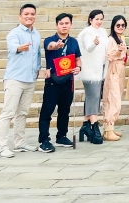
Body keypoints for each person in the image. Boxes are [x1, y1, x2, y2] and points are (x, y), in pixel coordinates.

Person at [0, 4, 42, 158]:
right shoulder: (14, 33)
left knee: (22, 112)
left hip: (30, 79)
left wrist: (38, 69)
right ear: (20, 16)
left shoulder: (36, 34)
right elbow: (12, 47)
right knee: (8, 113)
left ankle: (20, 142)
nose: (29, 16)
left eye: (32, 14)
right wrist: (20, 48)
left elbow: (37, 54)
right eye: (26, 14)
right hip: (15, 79)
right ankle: (2, 147)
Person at [38, 12, 82, 152]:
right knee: (47, 111)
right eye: (61, 23)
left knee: (64, 111)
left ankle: (61, 136)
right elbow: (50, 46)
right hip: (52, 81)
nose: (64, 26)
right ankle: (44, 140)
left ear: (71, 25)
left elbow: (77, 58)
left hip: (68, 81)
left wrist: (78, 67)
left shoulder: (74, 42)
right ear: (56, 25)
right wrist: (56, 45)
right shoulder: (49, 40)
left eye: (67, 23)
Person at [76, 10, 107, 144]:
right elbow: (89, 48)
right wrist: (94, 43)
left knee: (93, 96)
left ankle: (85, 125)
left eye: (101, 19)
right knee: (93, 96)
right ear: (90, 20)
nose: (99, 21)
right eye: (96, 19)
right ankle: (94, 125)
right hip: (89, 70)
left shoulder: (103, 32)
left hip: (99, 69)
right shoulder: (86, 32)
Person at [101, 16, 127, 141]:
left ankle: (110, 127)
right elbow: (109, 56)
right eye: (118, 25)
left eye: (123, 25)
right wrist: (118, 51)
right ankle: (108, 129)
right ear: (113, 26)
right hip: (113, 69)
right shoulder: (111, 39)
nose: (120, 27)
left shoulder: (121, 38)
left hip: (120, 68)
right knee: (113, 98)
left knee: (117, 96)